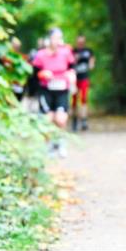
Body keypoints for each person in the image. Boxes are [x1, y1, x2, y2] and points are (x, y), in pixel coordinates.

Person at [31, 28, 76, 157]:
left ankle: (61, 144)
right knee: (48, 119)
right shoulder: (40, 55)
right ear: (49, 39)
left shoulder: (66, 53)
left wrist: (72, 77)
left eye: (59, 38)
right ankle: (49, 145)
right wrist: (42, 74)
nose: (57, 41)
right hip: (46, 90)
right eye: (55, 38)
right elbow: (33, 75)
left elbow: (72, 69)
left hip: (62, 89)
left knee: (60, 119)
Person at [71, 35, 96, 132]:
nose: (80, 43)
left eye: (82, 42)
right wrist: (75, 59)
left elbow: (92, 62)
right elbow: (69, 63)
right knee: (74, 101)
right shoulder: (73, 51)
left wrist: (91, 64)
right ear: (76, 42)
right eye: (79, 41)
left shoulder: (88, 51)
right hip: (74, 79)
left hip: (84, 78)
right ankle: (74, 121)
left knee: (84, 99)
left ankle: (84, 120)